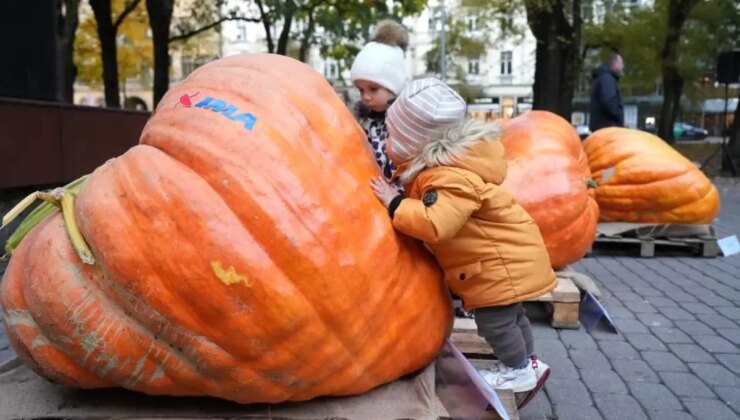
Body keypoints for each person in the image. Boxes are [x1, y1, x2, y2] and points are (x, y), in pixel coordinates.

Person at [369, 78, 556, 397]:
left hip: (497, 268)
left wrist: (395, 203)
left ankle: (518, 370)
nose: (388, 140)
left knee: (495, 323)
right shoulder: (451, 170)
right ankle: (526, 363)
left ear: (412, 143)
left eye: (392, 135)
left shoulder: (447, 179)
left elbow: (435, 223)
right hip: (506, 261)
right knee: (513, 316)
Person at [350, 19, 408, 185]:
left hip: (407, 198)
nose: (366, 96)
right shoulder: (365, 123)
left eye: (373, 89)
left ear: (394, 87)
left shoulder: (407, 121)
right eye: (361, 90)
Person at [589, 52, 625, 132]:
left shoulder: (602, 78)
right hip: (607, 127)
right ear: (615, 64)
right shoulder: (607, 79)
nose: (623, 66)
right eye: (621, 63)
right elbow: (608, 101)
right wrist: (618, 116)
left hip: (602, 126)